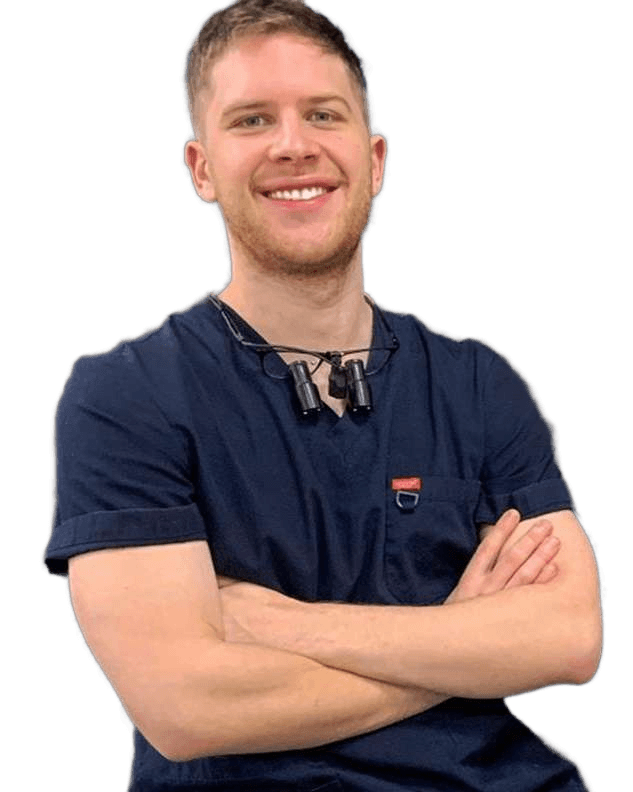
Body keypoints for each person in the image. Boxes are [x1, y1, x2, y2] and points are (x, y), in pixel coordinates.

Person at [44, 1, 602, 790]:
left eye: (322, 114)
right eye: (251, 120)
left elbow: (567, 637)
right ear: (201, 169)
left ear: (373, 160)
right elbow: (185, 708)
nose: (293, 145)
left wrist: (286, 624)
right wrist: (463, 641)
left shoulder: (478, 383)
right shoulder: (125, 397)